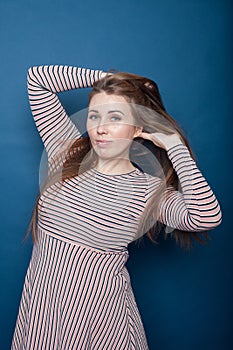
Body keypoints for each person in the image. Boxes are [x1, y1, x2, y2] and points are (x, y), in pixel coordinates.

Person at [11, 65, 222, 350]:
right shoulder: (66, 153)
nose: (101, 127)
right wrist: (108, 81)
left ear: (137, 128)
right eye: (95, 115)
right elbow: (38, 79)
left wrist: (175, 147)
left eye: (115, 117)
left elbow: (205, 216)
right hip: (44, 317)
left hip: (104, 325)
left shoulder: (149, 190)